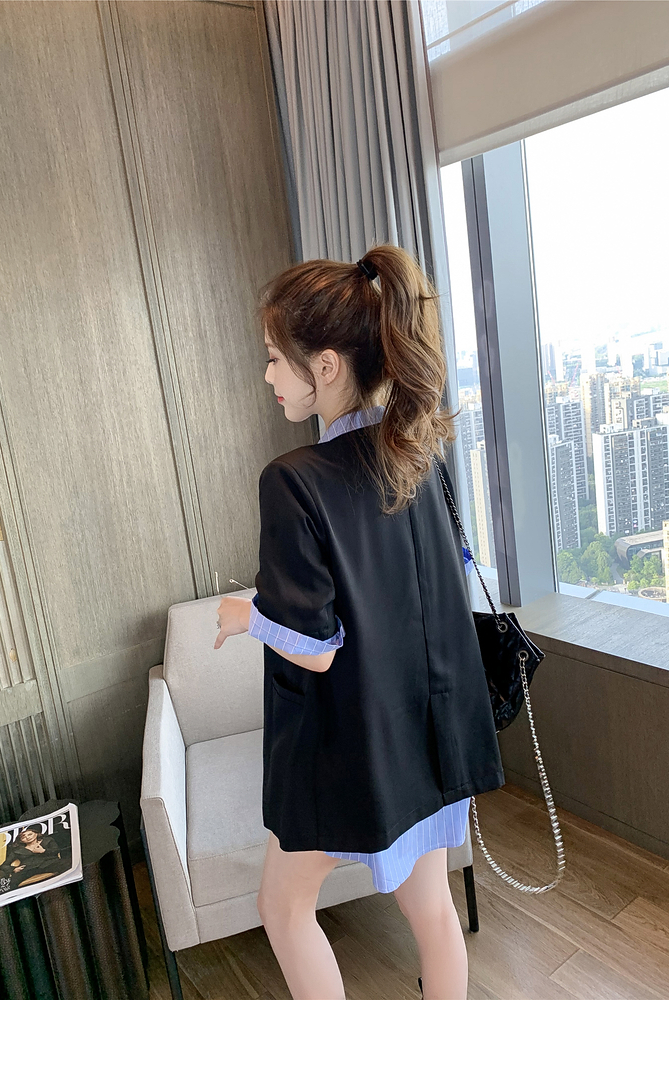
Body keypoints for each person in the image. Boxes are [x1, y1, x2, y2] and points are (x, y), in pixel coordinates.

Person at [214, 245, 504, 1000]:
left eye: (275, 358)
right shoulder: (420, 453)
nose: (268, 376)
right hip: (434, 737)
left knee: (282, 908)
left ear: (327, 365)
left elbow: (314, 649)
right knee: (432, 909)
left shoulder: (293, 481)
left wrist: (246, 614)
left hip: (356, 752)